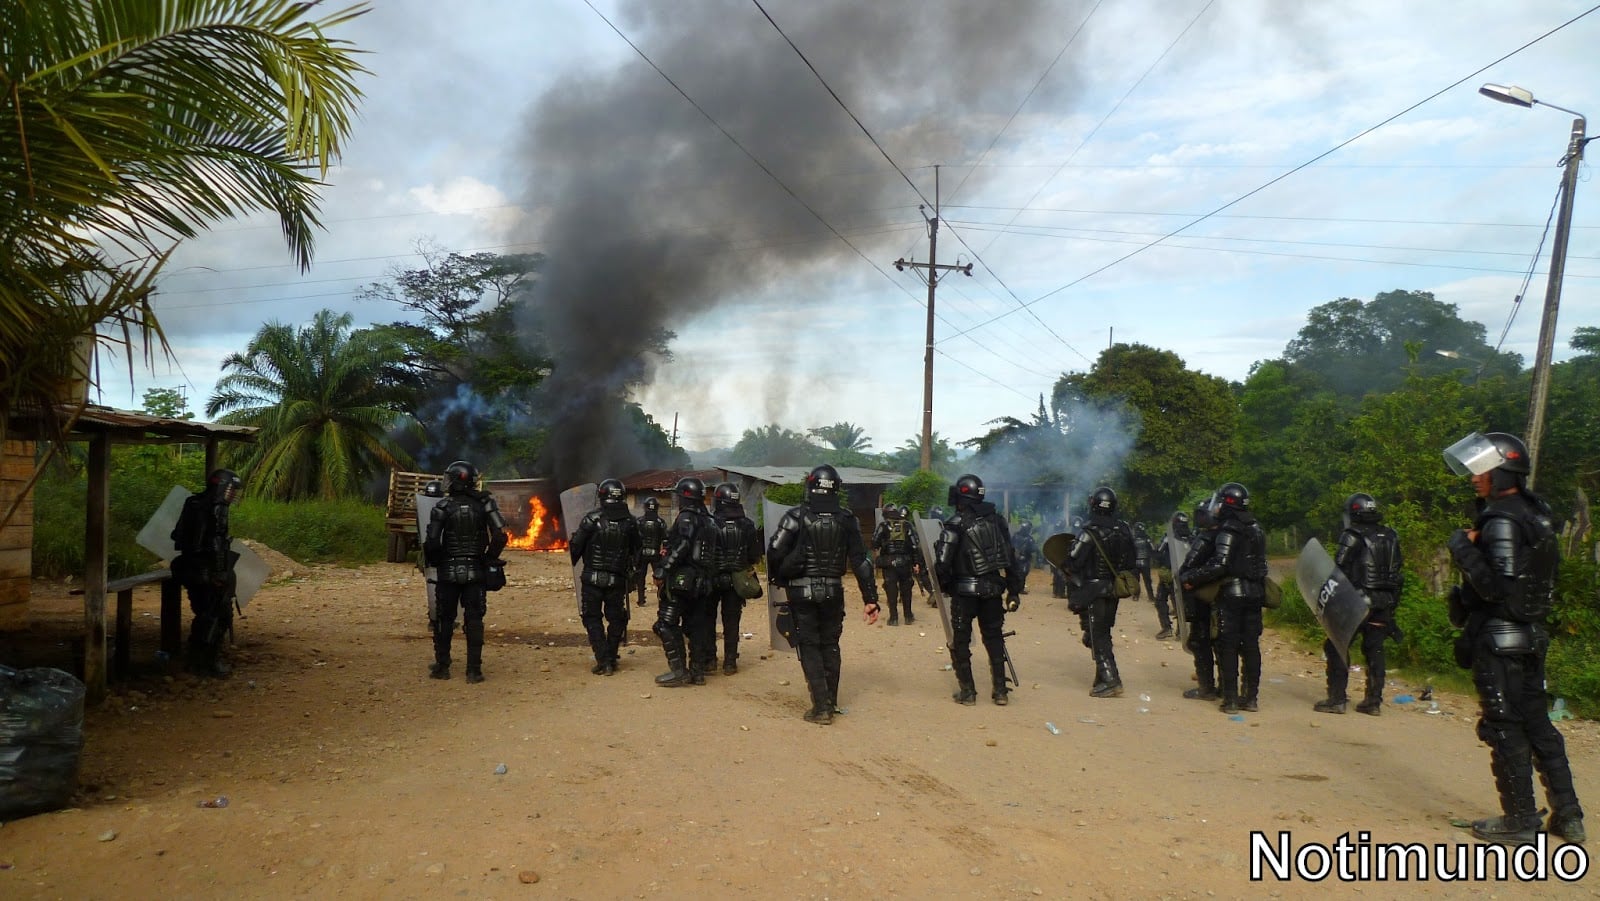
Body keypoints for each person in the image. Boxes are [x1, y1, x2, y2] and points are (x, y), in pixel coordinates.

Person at [1444, 431, 1584, 845]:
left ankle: (1521, 820)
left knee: (1504, 726)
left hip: (1500, 637)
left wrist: (1461, 548)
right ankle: (1569, 816)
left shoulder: (1502, 517)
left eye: (1483, 470)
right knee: (1539, 726)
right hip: (1531, 635)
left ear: (1504, 471)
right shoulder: (1534, 513)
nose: (1474, 477)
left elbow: (1495, 588)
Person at [766, 464, 880, 725]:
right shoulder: (847, 519)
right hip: (833, 591)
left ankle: (821, 708)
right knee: (830, 645)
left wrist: (781, 576)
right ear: (836, 488)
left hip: (801, 592)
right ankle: (831, 701)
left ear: (810, 485)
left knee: (809, 646)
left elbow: (774, 550)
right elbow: (861, 561)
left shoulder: (795, 516)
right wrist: (870, 599)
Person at [934, 474, 1023, 706]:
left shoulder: (954, 523)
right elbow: (1011, 558)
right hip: (993, 589)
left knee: (961, 641)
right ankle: (1000, 691)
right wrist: (1014, 590)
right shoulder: (998, 521)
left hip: (964, 592)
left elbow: (942, 563)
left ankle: (968, 692)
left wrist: (945, 586)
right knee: (994, 638)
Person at [1314, 493, 1403, 716]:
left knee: (1336, 646)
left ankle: (1337, 699)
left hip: (1356, 601)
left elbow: (1339, 569)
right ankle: (1373, 702)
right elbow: (1398, 571)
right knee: (1375, 650)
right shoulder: (1391, 535)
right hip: (1384, 602)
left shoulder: (1352, 535)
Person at [1183, 483, 1267, 713]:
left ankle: (1230, 699)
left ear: (1228, 504)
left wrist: (1193, 577)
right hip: (1256, 594)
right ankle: (1250, 698)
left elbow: (1220, 564)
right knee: (1251, 646)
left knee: (1228, 645)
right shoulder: (1256, 528)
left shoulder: (1228, 530)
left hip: (1232, 594)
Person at [423, 460, 507, 683]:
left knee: (444, 619)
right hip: (476, 571)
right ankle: (474, 671)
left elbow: (432, 541)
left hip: (448, 571)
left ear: (457, 480)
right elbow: (500, 536)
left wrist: (437, 561)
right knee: (474, 619)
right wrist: (488, 558)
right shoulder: (485, 504)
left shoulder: (442, 507)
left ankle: (442, 667)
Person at [171, 468, 244, 678]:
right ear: (221, 487)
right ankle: (206, 662)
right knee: (216, 615)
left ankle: (197, 660)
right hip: (203, 569)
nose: (232, 495)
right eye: (231, 490)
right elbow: (216, 542)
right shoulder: (214, 508)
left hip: (190, 567)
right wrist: (219, 574)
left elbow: (178, 535)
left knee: (206, 614)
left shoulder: (193, 503)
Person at [1066, 488, 1137, 698]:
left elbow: (1073, 562)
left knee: (1096, 635)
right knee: (1102, 632)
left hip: (1093, 590)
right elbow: (1133, 561)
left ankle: (1110, 678)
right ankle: (1101, 677)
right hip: (1114, 589)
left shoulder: (1089, 532)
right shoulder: (1124, 529)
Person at [570, 478, 642, 676]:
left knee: (592, 618)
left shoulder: (591, 519)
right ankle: (611, 656)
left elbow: (575, 549)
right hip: (617, 579)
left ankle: (603, 660)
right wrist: (631, 570)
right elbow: (638, 550)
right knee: (617, 618)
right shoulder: (631, 522)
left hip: (592, 578)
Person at [653, 476, 717, 686]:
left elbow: (682, 545)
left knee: (665, 623)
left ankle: (679, 671)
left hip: (683, 580)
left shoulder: (687, 517)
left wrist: (662, 570)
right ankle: (697, 672)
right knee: (696, 626)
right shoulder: (710, 520)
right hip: (703, 582)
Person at [709, 482, 763, 675]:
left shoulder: (710, 522)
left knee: (708, 619)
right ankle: (730, 662)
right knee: (731, 621)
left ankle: (710, 660)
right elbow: (755, 554)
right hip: (737, 580)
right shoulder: (747, 524)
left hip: (713, 578)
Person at [1176, 501, 1219, 700]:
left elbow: (1188, 567)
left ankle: (1206, 687)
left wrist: (1186, 578)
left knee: (1200, 641)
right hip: (1223, 599)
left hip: (1204, 597)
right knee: (1221, 642)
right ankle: (1228, 689)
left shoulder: (1206, 538)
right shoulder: (1231, 536)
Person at [872, 503, 922, 626]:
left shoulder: (883, 525)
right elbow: (915, 545)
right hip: (905, 562)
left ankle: (893, 618)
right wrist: (916, 563)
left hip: (889, 562)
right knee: (907, 589)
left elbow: (874, 543)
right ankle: (908, 616)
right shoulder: (907, 525)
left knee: (891, 589)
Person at [1152, 511, 1191, 643]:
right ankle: (1181, 631)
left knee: (1160, 600)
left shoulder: (1169, 537)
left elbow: (1158, 552)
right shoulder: (1192, 537)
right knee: (1180, 603)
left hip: (1170, 573)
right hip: (1186, 575)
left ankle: (1167, 628)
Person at [418, 479, 445, 633]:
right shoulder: (425, 509)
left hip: (438, 553)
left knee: (438, 587)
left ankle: (438, 618)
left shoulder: (446, 507)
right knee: (434, 587)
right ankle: (434, 618)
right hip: (432, 553)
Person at [635, 496, 668, 608]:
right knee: (659, 576)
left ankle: (641, 600)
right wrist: (664, 550)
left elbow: (634, 538)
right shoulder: (660, 522)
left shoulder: (639, 521)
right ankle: (661, 598)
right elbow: (665, 539)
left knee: (640, 577)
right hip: (655, 553)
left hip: (642, 553)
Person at [1011, 521, 1036, 594]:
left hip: (1015, 558)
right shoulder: (1028, 538)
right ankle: (1020, 589)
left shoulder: (1015, 536)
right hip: (1023, 559)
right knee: (1022, 573)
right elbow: (1033, 549)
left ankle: (1016, 588)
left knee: (1018, 573)